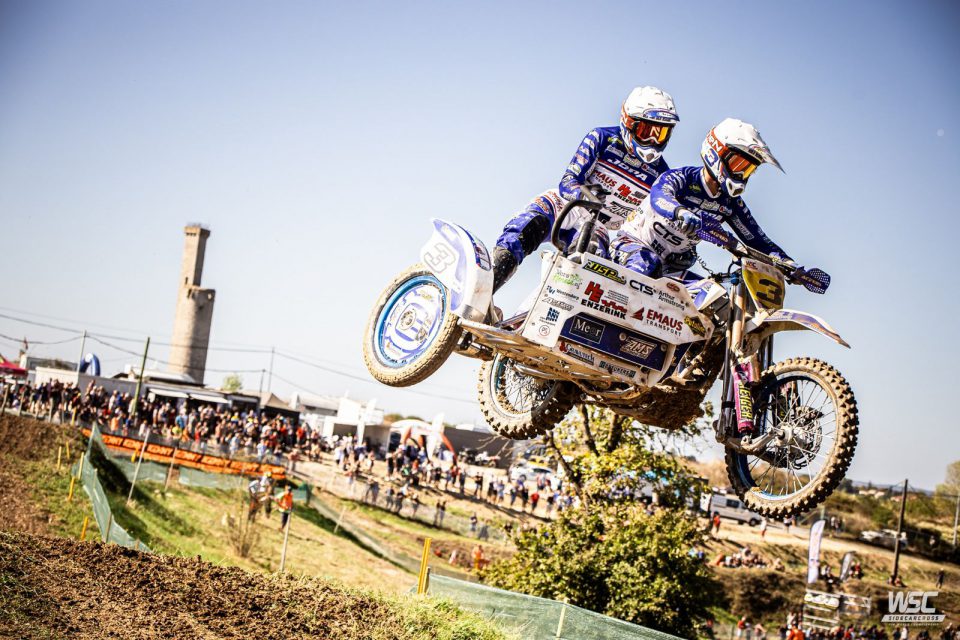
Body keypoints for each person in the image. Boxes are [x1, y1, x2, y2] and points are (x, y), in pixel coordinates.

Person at [491, 86, 679, 292]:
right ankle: (484, 291)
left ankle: (546, 307)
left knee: (591, 264)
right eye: (647, 131)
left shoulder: (662, 175)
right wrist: (585, 194)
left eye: (661, 133)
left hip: (597, 225)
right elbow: (568, 181)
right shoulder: (602, 137)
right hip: (565, 204)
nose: (653, 140)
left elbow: (658, 222)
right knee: (525, 228)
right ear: (628, 122)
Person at [613, 118, 799, 285]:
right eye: (738, 164)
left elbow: (756, 240)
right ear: (716, 152)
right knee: (647, 266)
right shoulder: (682, 177)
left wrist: (788, 263)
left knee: (714, 297)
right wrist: (680, 212)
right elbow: (659, 195)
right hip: (632, 246)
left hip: (670, 267)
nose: (741, 174)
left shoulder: (731, 203)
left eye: (748, 169)